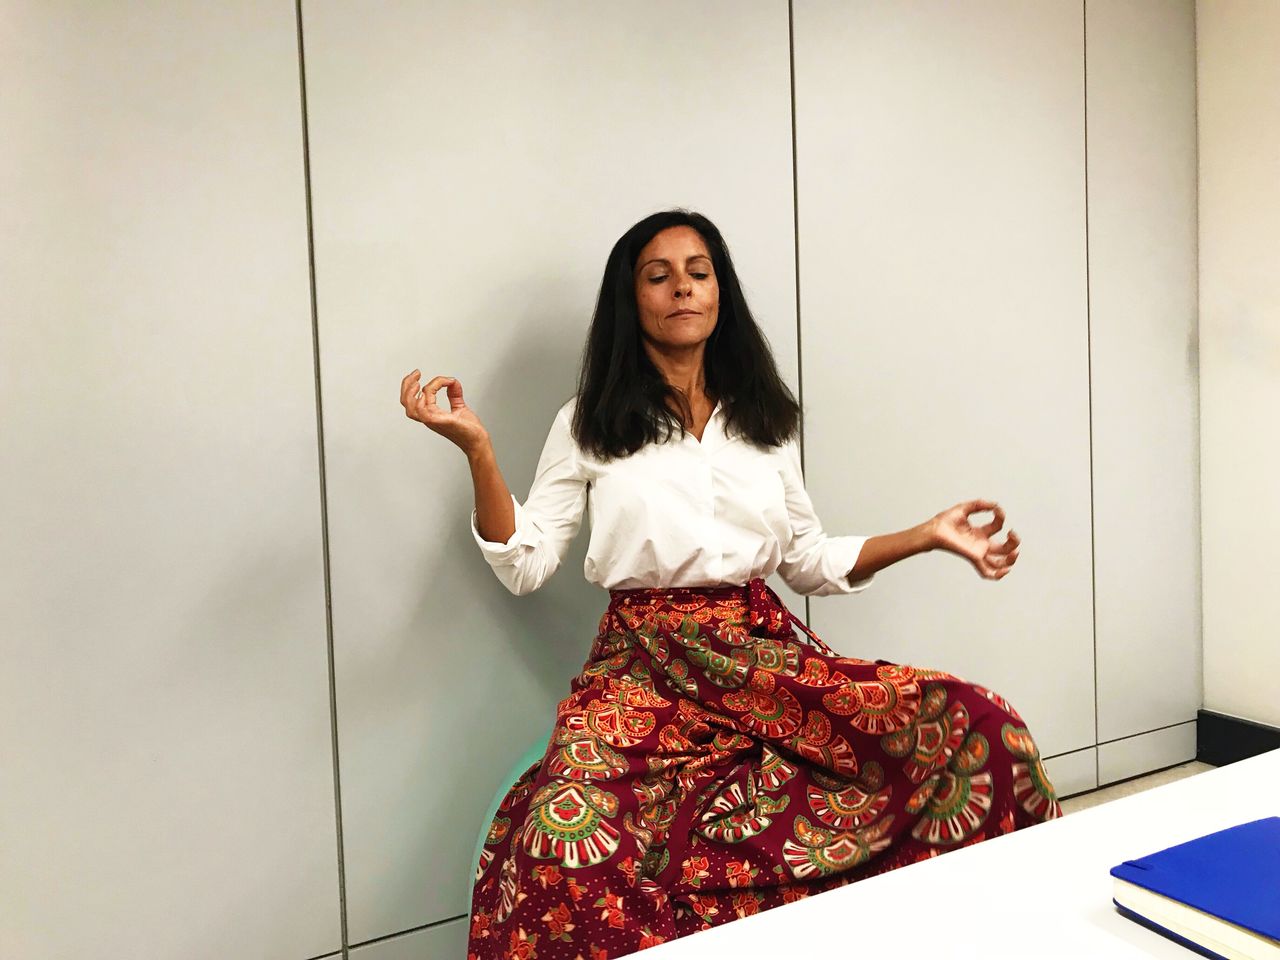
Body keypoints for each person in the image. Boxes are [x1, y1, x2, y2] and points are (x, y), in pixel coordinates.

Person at [400, 210, 1061, 960]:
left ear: (721, 293)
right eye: (659, 275)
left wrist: (927, 534)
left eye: (698, 271)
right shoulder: (588, 422)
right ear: (633, 299)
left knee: (979, 728)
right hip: (640, 667)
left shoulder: (764, 421)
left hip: (760, 655)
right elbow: (525, 562)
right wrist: (480, 453)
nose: (682, 287)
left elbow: (807, 560)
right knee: (559, 838)